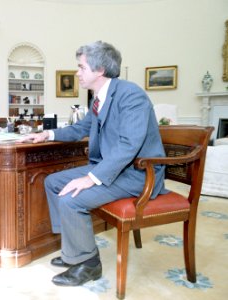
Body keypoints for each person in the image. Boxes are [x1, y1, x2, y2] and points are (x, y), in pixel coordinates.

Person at [18, 41, 167, 286]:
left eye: (81, 67)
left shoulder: (131, 95)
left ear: (99, 70)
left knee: (71, 198)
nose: (77, 73)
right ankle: (73, 250)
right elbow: (81, 128)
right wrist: (48, 134)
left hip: (138, 174)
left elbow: (129, 145)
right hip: (114, 168)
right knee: (53, 182)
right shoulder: (99, 97)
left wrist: (91, 178)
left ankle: (88, 265)